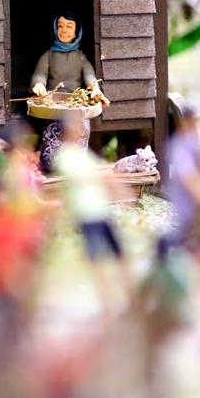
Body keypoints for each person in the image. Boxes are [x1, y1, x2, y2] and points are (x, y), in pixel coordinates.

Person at [51, 110, 132, 309]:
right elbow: (85, 178)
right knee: (98, 260)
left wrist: (111, 183)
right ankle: (107, 302)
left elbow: (99, 173)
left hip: (99, 210)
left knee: (118, 252)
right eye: (76, 124)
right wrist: (108, 180)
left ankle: (130, 295)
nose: (80, 127)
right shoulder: (64, 156)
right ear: (67, 130)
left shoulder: (81, 154)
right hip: (86, 214)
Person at [31, 13, 108, 171]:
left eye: (69, 26)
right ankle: (51, 164)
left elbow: (89, 75)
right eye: (60, 26)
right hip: (54, 105)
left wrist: (95, 89)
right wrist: (39, 85)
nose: (64, 30)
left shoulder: (81, 58)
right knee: (53, 131)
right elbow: (40, 74)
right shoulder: (49, 56)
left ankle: (75, 164)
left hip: (75, 105)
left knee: (79, 129)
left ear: (76, 32)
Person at [164, 104, 200, 298]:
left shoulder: (195, 142)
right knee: (187, 249)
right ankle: (186, 290)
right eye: (193, 121)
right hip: (186, 209)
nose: (196, 125)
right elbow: (187, 174)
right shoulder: (179, 145)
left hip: (198, 209)